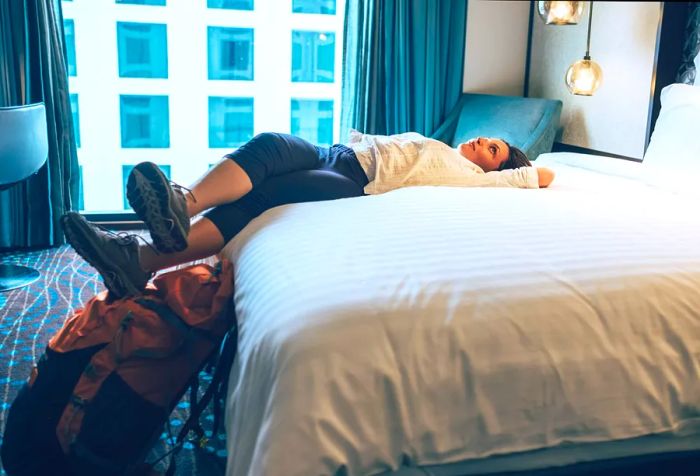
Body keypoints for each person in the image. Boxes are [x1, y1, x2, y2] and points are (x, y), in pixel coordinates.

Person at [61, 131, 555, 298]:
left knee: (263, 198)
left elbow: (542, 177)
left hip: (354, 182)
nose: (481, 144)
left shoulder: (475, 180)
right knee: (269, 145)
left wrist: (512, 170)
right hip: (338, 152)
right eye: (487, 139)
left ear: (498, 167)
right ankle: (180, 204)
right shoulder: (448, 149)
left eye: (492, 149)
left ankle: (141, 261)